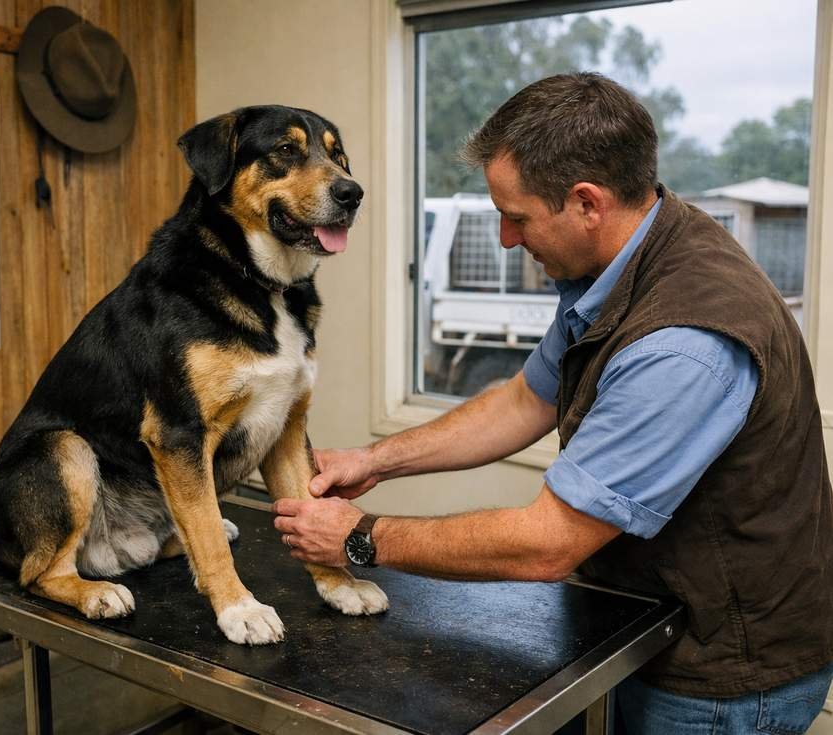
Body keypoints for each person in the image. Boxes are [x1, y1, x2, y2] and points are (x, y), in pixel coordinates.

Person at [273, 72, 833, 733]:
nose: (509, 240)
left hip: (719, 675)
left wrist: (362, 538)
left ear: (587, 202)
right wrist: (378, 459)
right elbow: (523, 400)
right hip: (646, 623)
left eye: (517, 218)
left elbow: (548, 544)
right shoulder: (623, 264)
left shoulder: (683, 342)